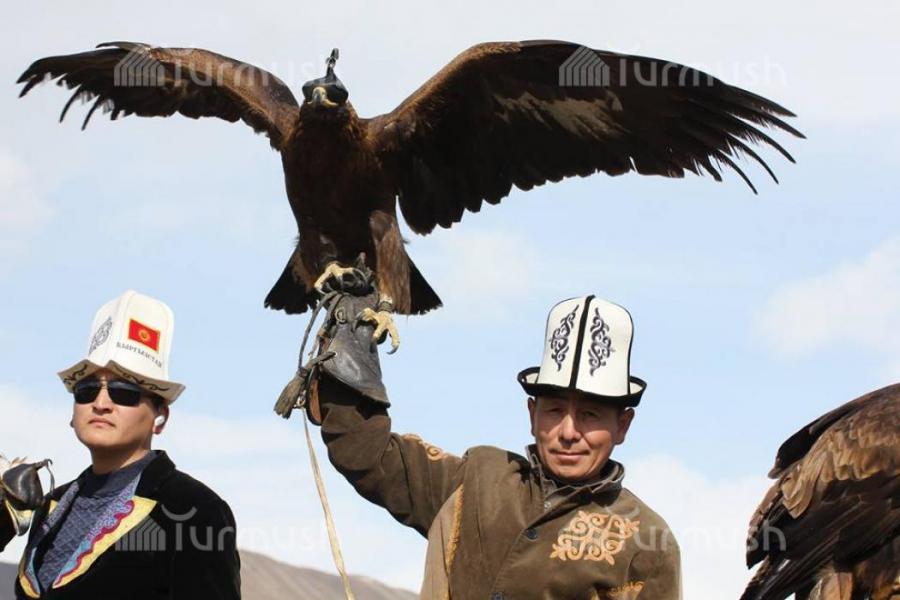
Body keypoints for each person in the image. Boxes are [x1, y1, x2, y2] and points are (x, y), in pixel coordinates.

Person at [307, 293, 682, 600]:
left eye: (590, 415)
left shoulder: (647, 543)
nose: (568, 432)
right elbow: (368, 455)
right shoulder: (476, 481)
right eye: (554, 410)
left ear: (622, 425)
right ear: (532, 414)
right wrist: (349, 351)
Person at [2, 290, 241, 599]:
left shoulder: (192, 510)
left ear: (160, 417)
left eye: (124, 392)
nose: (101, 403)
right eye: (87, 391)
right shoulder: (48, 507)